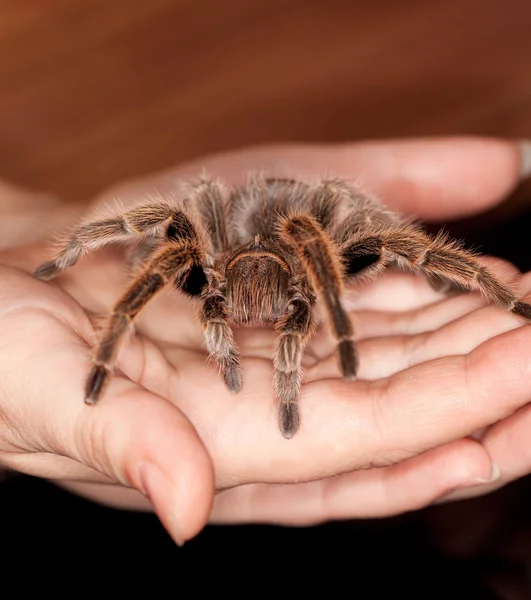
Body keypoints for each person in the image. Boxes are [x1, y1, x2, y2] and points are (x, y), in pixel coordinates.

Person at [0, 136, 530, 547]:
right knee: (171, 227)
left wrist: (338, 326)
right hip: (238, 237)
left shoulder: (312, 252)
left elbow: (366, 231)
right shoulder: (205, 261)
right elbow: (166, 217)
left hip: (300, 239)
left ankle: (502, 297)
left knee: (382, 236)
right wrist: (63, 248)